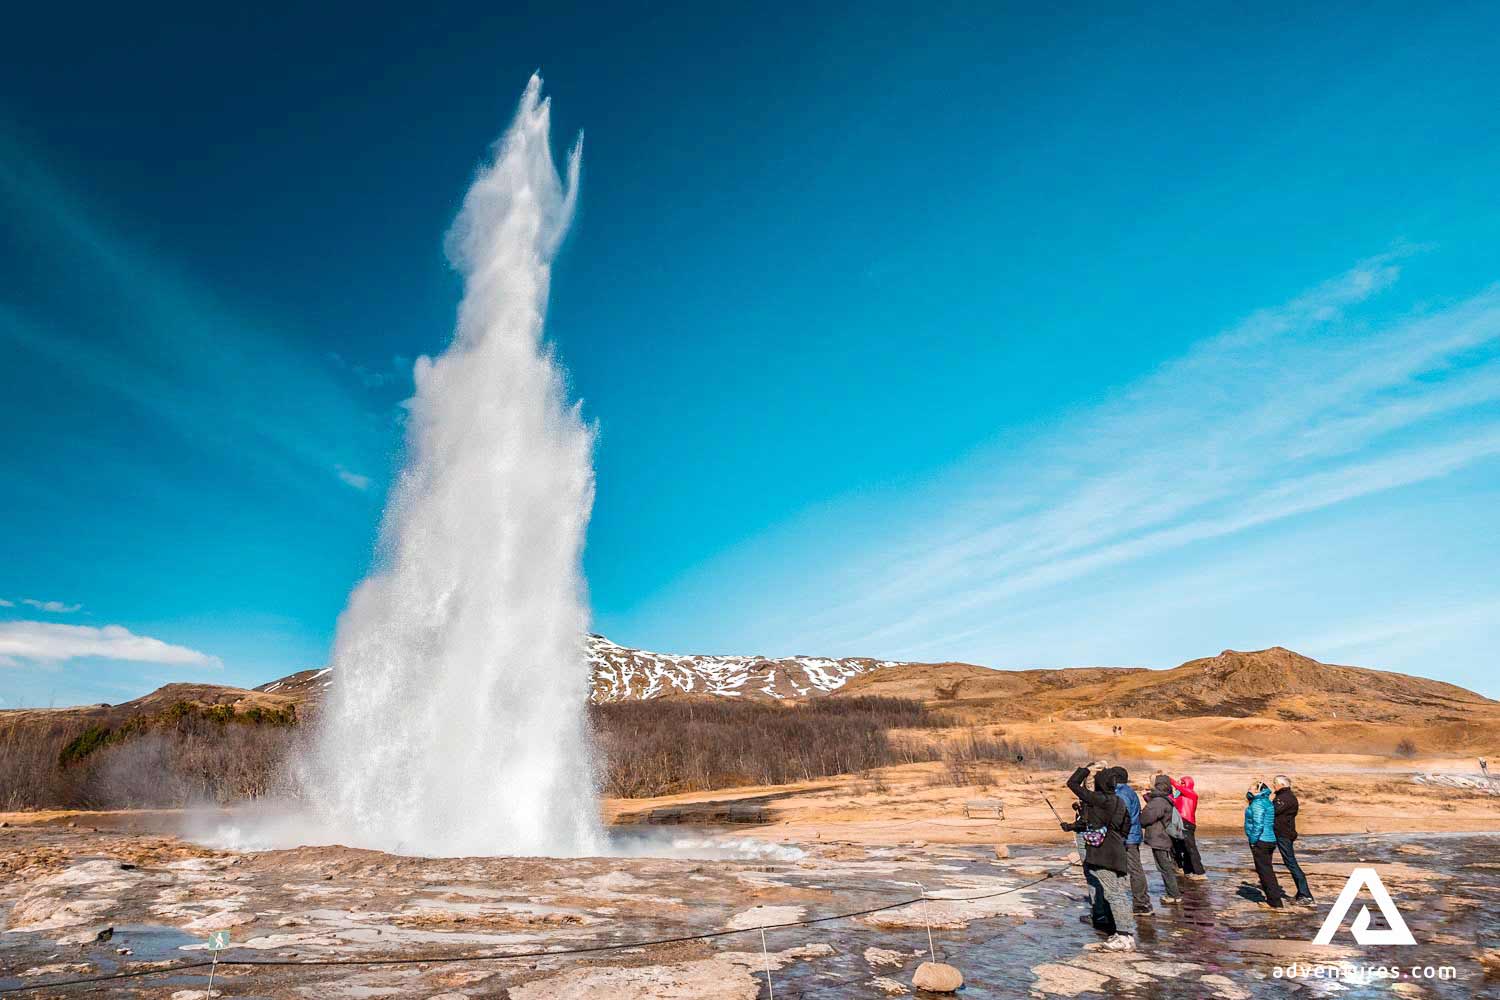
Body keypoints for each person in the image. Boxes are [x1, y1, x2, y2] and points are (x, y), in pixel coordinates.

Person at [1064, 761, 1137, 951]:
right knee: (1118, 893)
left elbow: (1072, 784)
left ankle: (1124, 935)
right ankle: (1123, 933)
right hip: (1117, 851)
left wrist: (1087, 769)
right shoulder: (1119, 801)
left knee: (1114, 894)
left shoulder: (1100, 800)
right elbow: (1126, 827)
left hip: (1105, 854)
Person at [1111, 767, 1151, 914]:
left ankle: (1142, 904)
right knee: (1132, 870)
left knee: (1134, 870)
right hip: (1130, 836)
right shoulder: (1127, 791)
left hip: (1127, 838)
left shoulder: (1121, 794)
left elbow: (1121, 817)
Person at [1272, 775, 1314, 905]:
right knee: (1290, 863)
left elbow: (1272, 811)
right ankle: (1301, 893)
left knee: (1291, 863)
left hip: (1284, 834)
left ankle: (1306, 895)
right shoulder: (1286, 796)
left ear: (1282, 785)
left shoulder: (1285, 798)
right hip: (1284, 833)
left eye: (1275, 784)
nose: (1274, 786)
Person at [1139, 775, 1182, 903]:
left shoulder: (1158, 801)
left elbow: (1147, 817)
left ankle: (1173, 895)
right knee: (1165, 867)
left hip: (1159, 838)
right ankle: (1174, 894)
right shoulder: (1164, 799)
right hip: (1162, 837)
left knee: (1164, 867)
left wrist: (1140, 819)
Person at [1244, 780, 1286, 908]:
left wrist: (1253, 840)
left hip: (1261, 840)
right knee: (1267, 870)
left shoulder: (1257, 803)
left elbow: (1258, 824)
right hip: (1269, 839)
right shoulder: (1266, 801)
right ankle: (1274, 899)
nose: (1249, 790)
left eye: (1251, 788)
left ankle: (1274, 902)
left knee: (1264, 871)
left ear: (1258, 790)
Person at [1168, 775, 1206, 876]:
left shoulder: (1192, 794)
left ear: (1188, 784)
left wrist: (1169, 779)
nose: (1180, 784)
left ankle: (1199, 872)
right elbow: (1166, 800)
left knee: (1190, 848)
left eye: (1183, 782)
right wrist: (1146, 795)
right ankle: (1186, 870)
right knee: (1179, 848)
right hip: (1178, 823)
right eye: (1180, 782)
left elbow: (1177, 786)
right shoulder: (1178, 796)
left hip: (1187, 823)